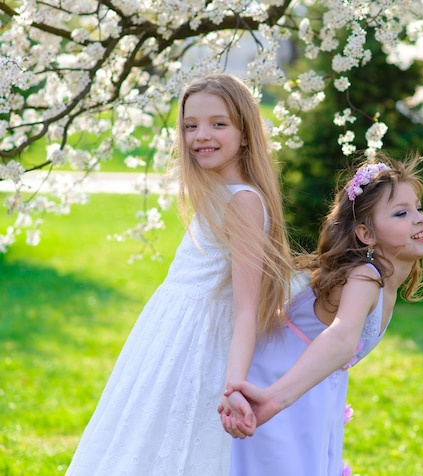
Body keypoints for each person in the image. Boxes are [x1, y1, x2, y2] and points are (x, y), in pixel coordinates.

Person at [66, 73, 292, 475]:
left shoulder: (243, 202)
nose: (201, 135)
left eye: (218, 124)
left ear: (245, 134)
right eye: (191, 126)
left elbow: (245, 308)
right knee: (142, 437)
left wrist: (232, 386)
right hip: (168, 333)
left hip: (199, 343)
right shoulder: (212, 192)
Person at [221, 154, 423, 475]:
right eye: (401, 213)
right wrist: (273, 399)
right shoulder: (365, 276)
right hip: (273, 388)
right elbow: (341, 336)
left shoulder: (382, 280)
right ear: (366, 234)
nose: (419, 218)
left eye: (418, 208)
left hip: (308, 394)